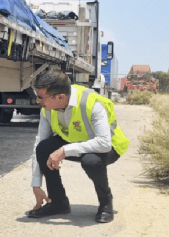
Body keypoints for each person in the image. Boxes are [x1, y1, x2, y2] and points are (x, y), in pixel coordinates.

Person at [27, 70, 130, 223]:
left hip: (108, 147)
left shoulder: (92, 103)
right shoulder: (47, 109)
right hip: (76, 142)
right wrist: (36, 184)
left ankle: (105, 203)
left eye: (41, 97)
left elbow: (104, 143)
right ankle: (58, 203)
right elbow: (39, 142)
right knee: (43, 148)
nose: (38, 101)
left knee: (91, 161)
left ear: (60, 97)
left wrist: (64, 150)